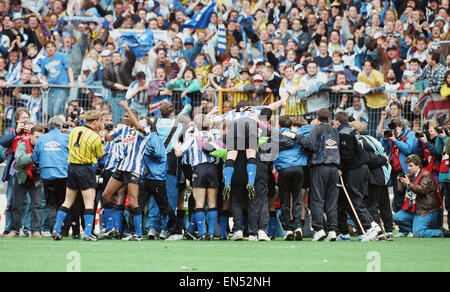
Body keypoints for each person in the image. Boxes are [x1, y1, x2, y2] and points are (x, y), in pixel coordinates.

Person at [51, 110, 105, 241]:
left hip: (72, 167)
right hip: (85, 168)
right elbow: (99, 155)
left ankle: (56, 230)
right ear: (95, 121)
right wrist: (102, 141)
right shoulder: (95, 137)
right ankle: (87, 233)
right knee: (89, 203)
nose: (101, 124)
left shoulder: (74, 131)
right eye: (100, 121)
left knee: (67, 201)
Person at [100, 101, 149, 241]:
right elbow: (109, 138)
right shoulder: (124, 130)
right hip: (121, 167)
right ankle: (111, 229)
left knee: (133, 201)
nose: (125, 119)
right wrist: (105, 129)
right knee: (106, 195)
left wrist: (127, 107)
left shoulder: (144, 129)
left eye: (127, 116)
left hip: (134, 169)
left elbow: (139, 127)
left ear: (134, 117)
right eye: (124, 116)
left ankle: (138, 234)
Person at [334, 112, 381, 242]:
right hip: (360, 169)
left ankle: (371, 225)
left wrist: (340, 167)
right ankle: (360, 230)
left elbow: (347, 155)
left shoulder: (344, 134)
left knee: (356, 200)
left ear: (337, 121)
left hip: (355, 170)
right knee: (350, 203)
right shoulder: (352, 131)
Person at [173, 114, 220, 241]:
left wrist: (176, 147)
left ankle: (201, 233)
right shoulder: (215, 135)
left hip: (199, 169)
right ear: (209, 125)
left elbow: (179, 153)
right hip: (213, 169)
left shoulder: (193, 136)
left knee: (199, 203)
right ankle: (210, 234)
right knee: (212, 203)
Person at [298, 108, 340, 242]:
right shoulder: (335, 131)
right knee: (332, 200)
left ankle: (319, 229)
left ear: (317, 118)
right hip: (334, 168)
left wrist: (297, 137)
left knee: (317, 199)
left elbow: (309, 144)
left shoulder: (316, 129)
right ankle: (333, 230)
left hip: (320, 166)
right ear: (329, 118)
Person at [6, 125, 45, 238]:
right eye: (36, 137)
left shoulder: (43, 146)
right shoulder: (22, 144)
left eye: (41, 137)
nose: (39, 140)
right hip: (21, 177)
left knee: (37, 205)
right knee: (17, 204)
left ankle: (36, 231)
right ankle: (14, 230)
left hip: (36, 179)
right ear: (31, 135)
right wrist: (33, 156)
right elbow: (19, 160)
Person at [32, 116, 69, 233]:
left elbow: (35, 158)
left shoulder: (42, 139)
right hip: (63, 174)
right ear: (61, 126)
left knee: (50, 203)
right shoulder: (66, 137)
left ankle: (54, 229)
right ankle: (64, 229)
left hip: (47, 175)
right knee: (64, 202)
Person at [381, 118, 417, 236]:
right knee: (398, 200)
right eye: (392, 130)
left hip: (406, 171)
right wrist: (384, 138)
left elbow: (408, 149)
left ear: (401, 127)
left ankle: (411, 228)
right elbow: (383, 149)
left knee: (410, 200)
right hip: (395, 172)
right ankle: (403, 230)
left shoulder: (410, 134)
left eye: (395, 129)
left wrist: (395, 140)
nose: (394, 132)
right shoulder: (392, 136)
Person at [393, 154, 444, 238]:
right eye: (407, 166)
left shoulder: (426, 175)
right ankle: (418, 227)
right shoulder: (411, 175)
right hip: (415, 208)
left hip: (426, 210)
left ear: (418, 165)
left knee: (418, 233)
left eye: (411, 166)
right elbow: (401, 192)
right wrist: (400, 183)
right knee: (396, 218)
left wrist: (408, 183)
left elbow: (422, 190)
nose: (408, 168)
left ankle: (438, 232)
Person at [0, 108, 32, 236]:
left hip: (28, 170)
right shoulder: (12, 132)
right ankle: (9, 227)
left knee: (27, 201)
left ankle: (25, 227)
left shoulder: (31, 132)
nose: (25, 120)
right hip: (14, 171)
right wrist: (16, 132)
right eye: (23, 118)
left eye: (27, 118)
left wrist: (30, 132)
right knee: (11, 200)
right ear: (17, 120)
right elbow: (2, 142)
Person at [102, 45, 136, 124]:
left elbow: (132, 60)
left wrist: (128, 50)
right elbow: (105, 81)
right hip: (114, 94)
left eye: (118, 56)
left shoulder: (126, 65)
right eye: (114, 56)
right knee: (116, 114)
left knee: (125, 113)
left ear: (121, 57)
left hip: (125, 93)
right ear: (112, 58)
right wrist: (115, 85)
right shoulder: (108, 67)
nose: (116, 58)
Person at [40, 41, 75, 118]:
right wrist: (44, 82)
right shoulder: (44, 60)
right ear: (45, 49)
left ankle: (58, 126)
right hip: (51, 88)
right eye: (48, 47)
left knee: (57, 109)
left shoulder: (62, 56)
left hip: (62, 87)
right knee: (51, 110)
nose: (50, 49)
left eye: (52, 46)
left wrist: (71, 81)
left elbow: (69, 68)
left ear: (55, 48)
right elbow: (44, 74)